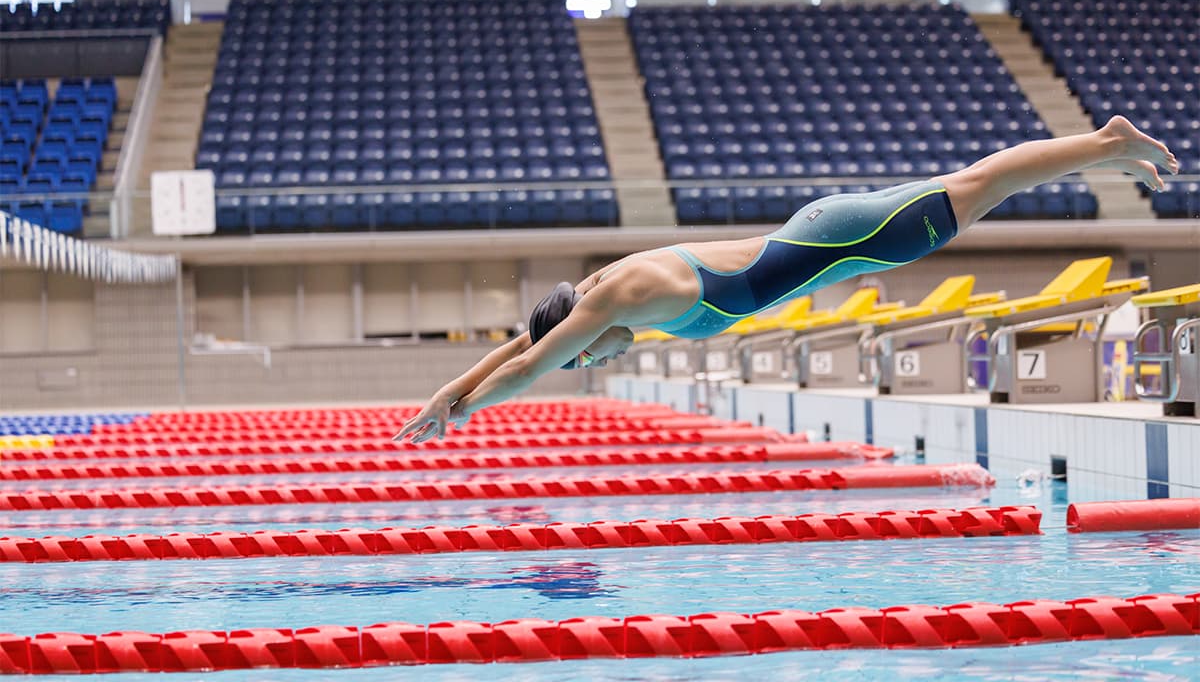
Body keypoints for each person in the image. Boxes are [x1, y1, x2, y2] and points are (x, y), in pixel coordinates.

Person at [395, 115, 1177, 443]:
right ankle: (1102, 148)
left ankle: (1104, 140)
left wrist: (461, 413)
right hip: (829, 236)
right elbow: (525, 345)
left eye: (590, 356)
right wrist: (450, 390)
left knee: (977, 189)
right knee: (974, 187)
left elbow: (532, 361)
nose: (598, 362)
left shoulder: (622, 298)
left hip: (850, 239)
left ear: (586, 334)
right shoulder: (603, 292)